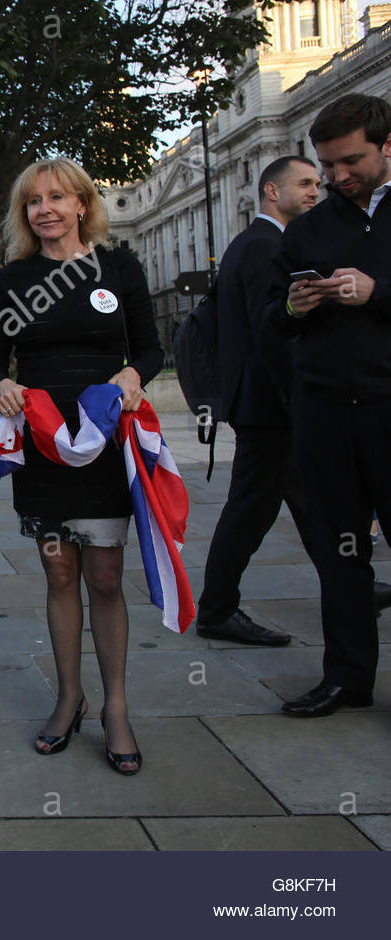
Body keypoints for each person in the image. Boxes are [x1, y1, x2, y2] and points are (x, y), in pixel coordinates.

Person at [0, 157, 163, 775]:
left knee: (106, 578)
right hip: (43, 447)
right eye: (34, 202)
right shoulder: (13, 279)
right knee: (60, 574)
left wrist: (135, 374)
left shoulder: (119, 267)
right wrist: (1, 385)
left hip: (105, 444)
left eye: (58, 197)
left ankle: (115, 707)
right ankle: (69, 697)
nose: (46, 209)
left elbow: (150, 346)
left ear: (83, 204)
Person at [265, 93, 391, 717]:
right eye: (326, 165)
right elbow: (268, 317)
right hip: (326, 414)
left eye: (351, 162)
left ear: (387, 145)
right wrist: (292, 307)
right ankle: (347, 677)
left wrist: (379, 292)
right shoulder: (309, 229)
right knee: (342, 552)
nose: (338, 177)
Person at [194, 156, 324, 646]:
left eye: (318, 183)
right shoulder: (266, 246)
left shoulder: (256, 243)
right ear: (272, 190)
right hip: (269, 404)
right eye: (305, 183)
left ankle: (347, 579)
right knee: (251, 508)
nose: (316, 191)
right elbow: (270, 331)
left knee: (311, 502)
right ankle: (216, 609)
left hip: (265, 401)